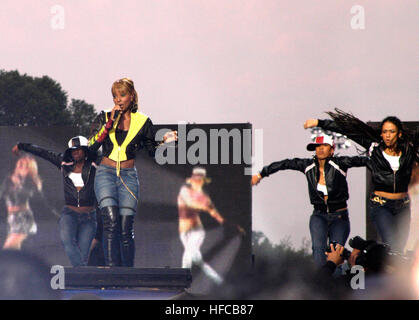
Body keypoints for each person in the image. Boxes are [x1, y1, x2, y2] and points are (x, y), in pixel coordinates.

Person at [88, 77, 177, 267]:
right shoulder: (104, 116)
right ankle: (112, 272)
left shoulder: (143, 121)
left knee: (125, 228)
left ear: (131, 96)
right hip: (105, 174)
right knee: (110, 223)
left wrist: (165, 141)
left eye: (122, 95)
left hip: (128, 177)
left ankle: (127, 274)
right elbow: (91, 145)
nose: (118, 100)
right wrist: (109, 123)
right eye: (114, 96)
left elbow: (151, 150)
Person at [304, 109, 419, 253]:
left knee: (400, 248)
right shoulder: (373, 148)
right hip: (381, 204)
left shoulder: (409, 150)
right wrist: (320, 123)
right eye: (384, 132)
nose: (388, 135)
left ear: (399, 134)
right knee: (391, 245)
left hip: (403, 205)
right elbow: (347, 131)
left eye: (392, 132)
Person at [252, 134, 368, 266]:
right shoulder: (307, 166)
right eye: (317, 146)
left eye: (324, 146)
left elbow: (362, 161)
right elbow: (284, 164)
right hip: (319, 216)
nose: (320, 149)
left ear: (332, 150)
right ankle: (319, 282)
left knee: (335, 253)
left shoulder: (340, 164)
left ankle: (334, 283)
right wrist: (261, 174)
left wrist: (380, 159)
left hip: (339, 217)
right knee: (318, 251)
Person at [12, 136, 104, 266]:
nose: (75, 152)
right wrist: (21, 145)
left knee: (83, 255)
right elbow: (43, 152)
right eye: (73, 150)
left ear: (85, 150)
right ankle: (80, 275)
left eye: (79, 149)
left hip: (89, 217)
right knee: (67, 241)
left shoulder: (95, 164)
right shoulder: (63, 162)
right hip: (69, 214)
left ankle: (79, 279)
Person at [177, 167, 244, 285]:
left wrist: (233, 226)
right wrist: (204, 207)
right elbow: (189, 203)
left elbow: (217, 216)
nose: (197, 181)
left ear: (203, 181)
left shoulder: (205, 198)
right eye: (195, 178)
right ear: (191, 179)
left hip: (196, 230)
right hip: (183, 231)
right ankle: (218, 280)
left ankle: (181, 281)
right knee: (198, 260)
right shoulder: (184, 191)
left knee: (188, 253)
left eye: (200, 179)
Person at [0, 155, 43, 249]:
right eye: (20, 163)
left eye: (25, 165)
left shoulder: (31, 182)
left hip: (23, 218)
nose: (21, 165)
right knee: (14, 250)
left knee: (8, 249)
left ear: (30, 169)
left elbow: (25, 195)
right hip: (11, 218)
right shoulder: (8, 179)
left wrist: (19, 182)